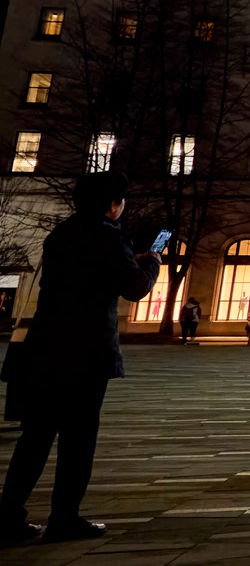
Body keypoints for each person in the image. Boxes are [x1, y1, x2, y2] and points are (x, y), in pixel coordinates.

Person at [0, 171, 160, 544]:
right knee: (78, 438)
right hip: (87, 351)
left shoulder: (62, 234)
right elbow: (135, 287)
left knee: (35, 437)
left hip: (44, 347)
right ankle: (64, 517)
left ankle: (8, 516)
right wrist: (150, 261)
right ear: (112, 204)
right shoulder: (111, 237)